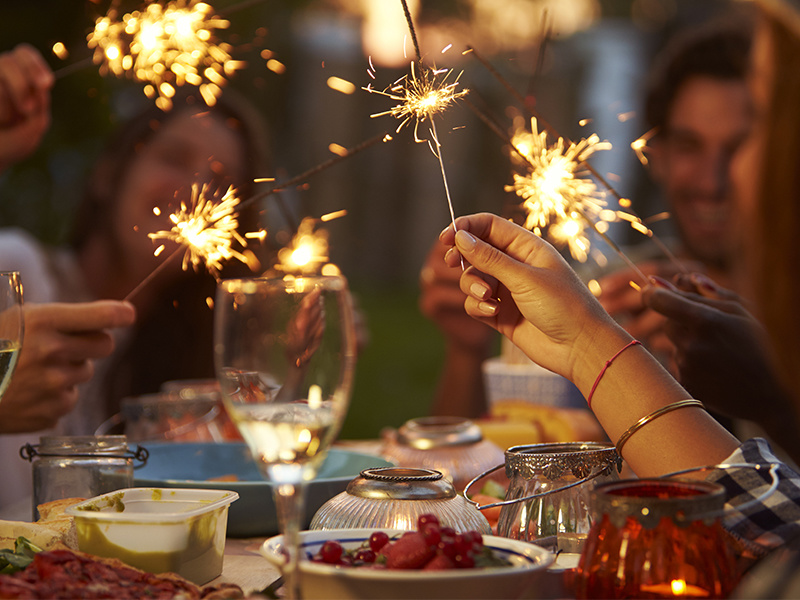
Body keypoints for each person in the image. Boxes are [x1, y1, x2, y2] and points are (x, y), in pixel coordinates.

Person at [437, 0, 800, 565]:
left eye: (745, 144)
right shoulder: (606, 292)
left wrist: (775, 384)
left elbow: (771, 530)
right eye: (689, 146)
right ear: (652, 153)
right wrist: (471, 350)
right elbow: (493, 472)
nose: (714, 180)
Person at [0, 86, 270, 513]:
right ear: (109, 174)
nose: (196, 191)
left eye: (222, 183)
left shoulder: (187, 350)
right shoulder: (12, 274)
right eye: (175, 159)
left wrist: (278, 362)